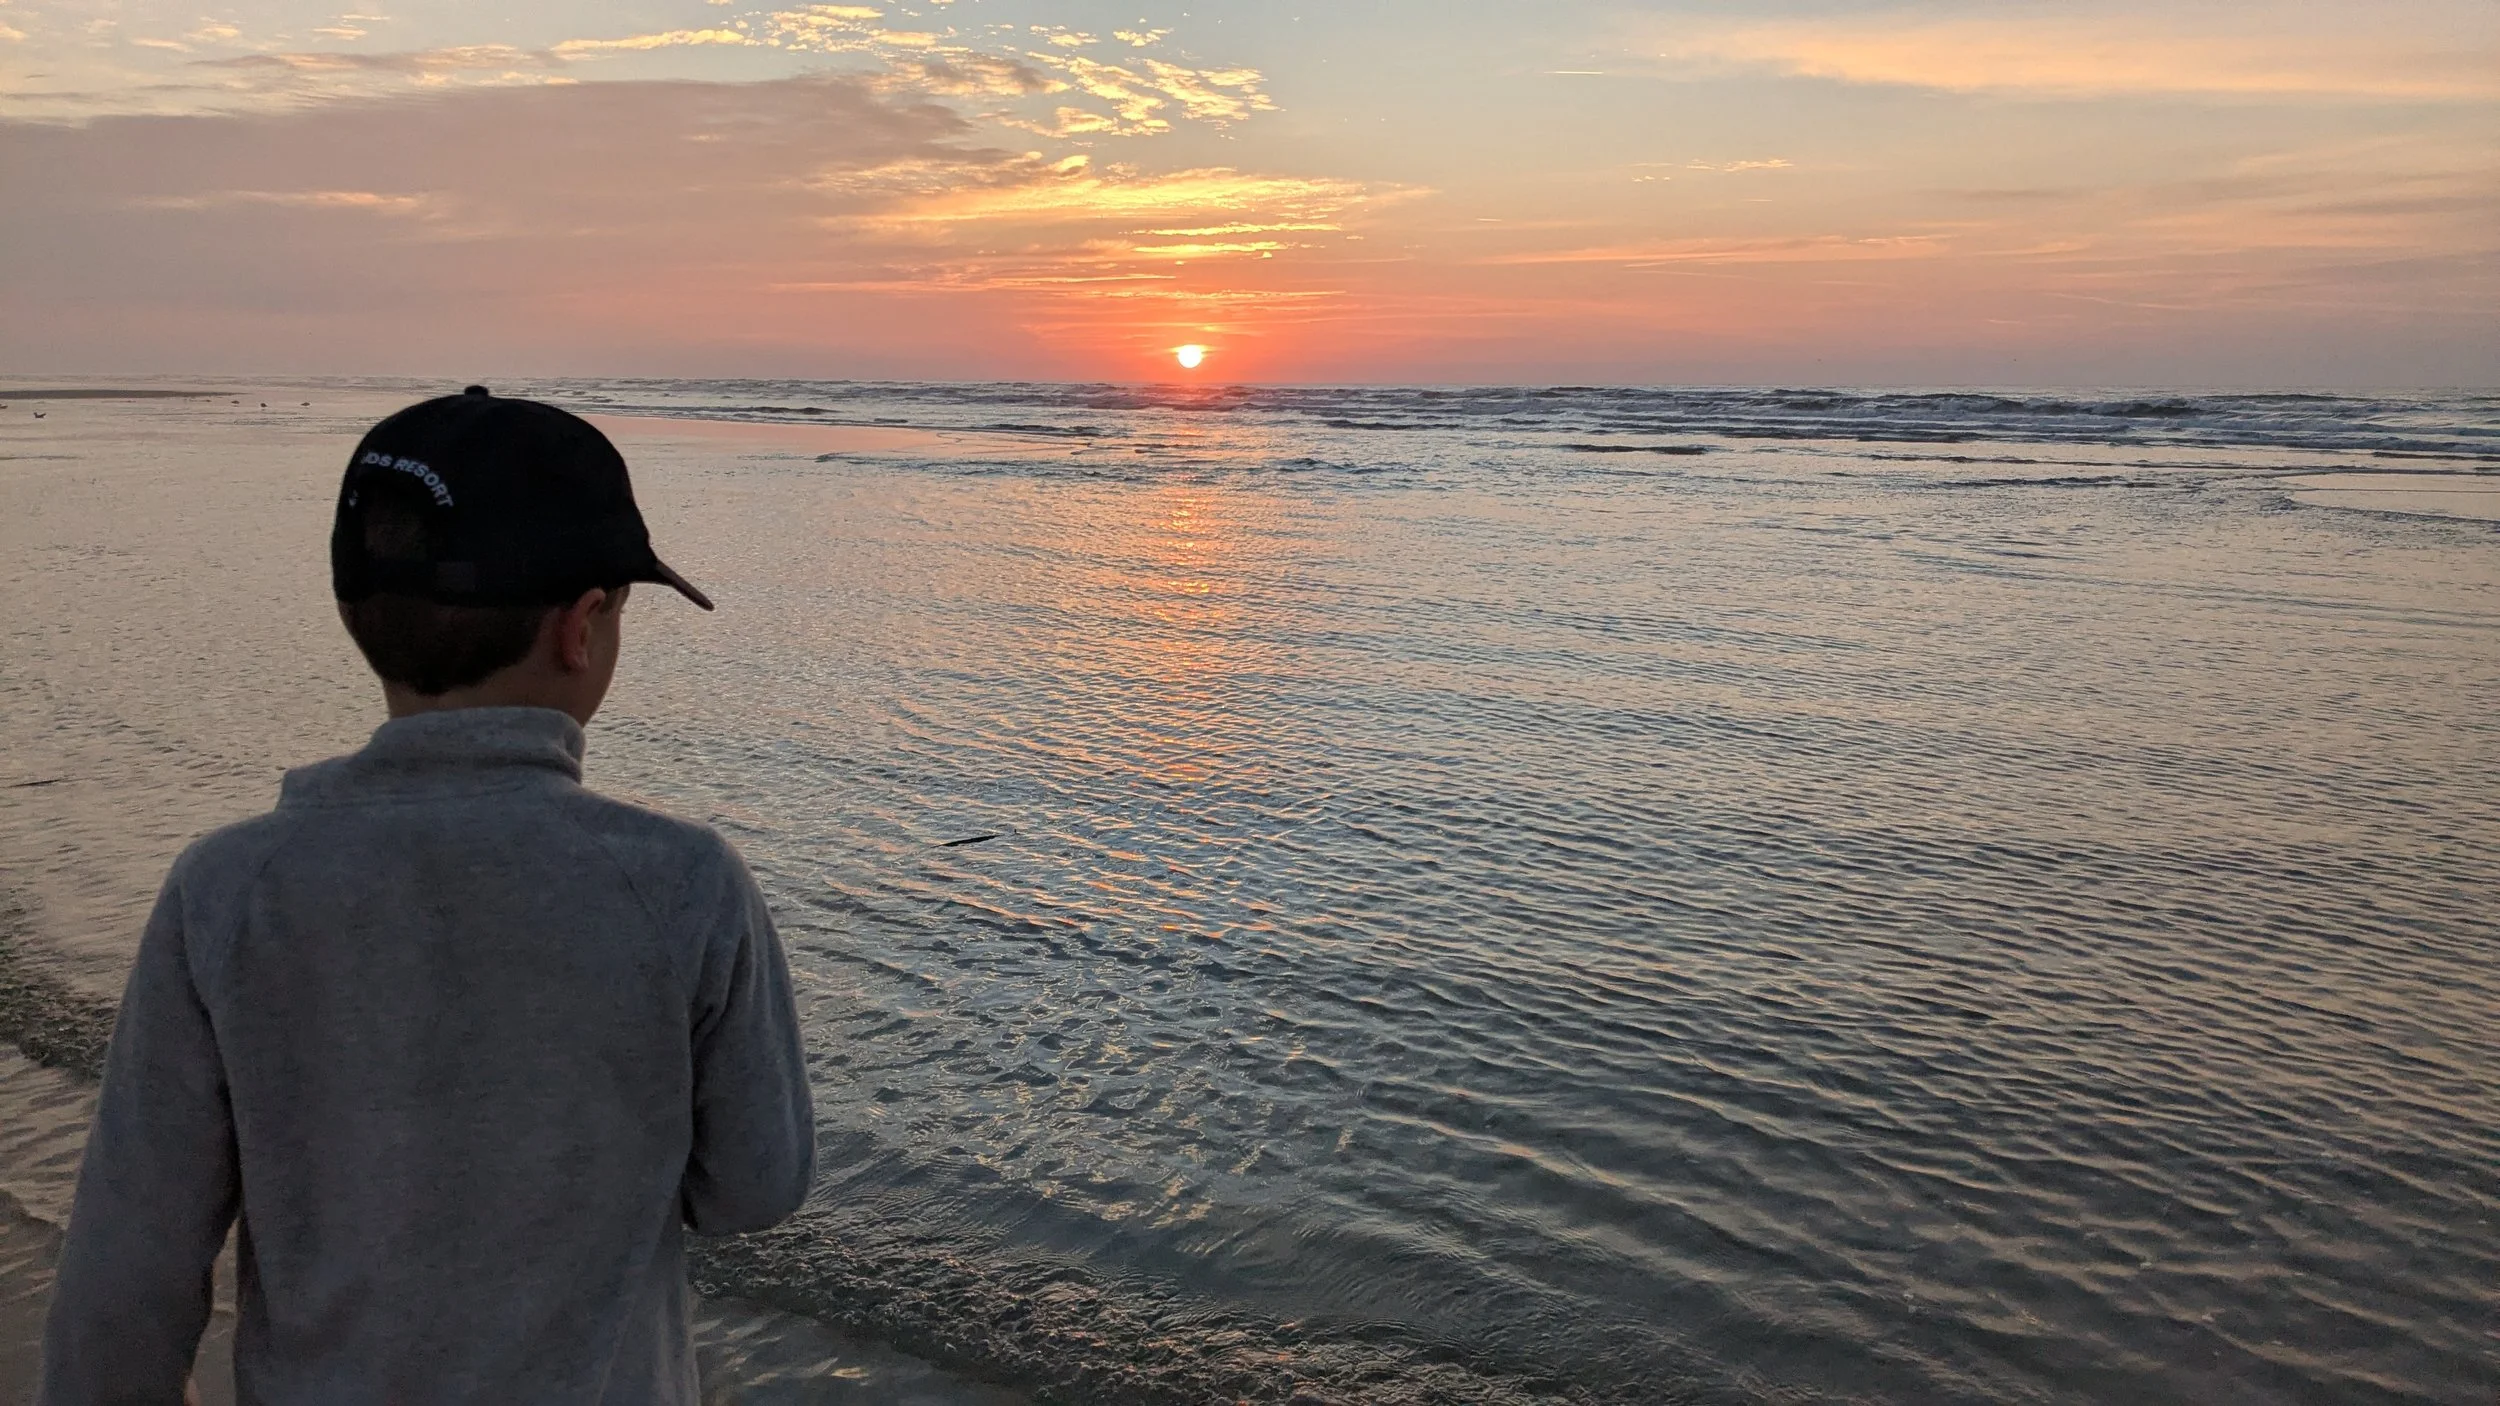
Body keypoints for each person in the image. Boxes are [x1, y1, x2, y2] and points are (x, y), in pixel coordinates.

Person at [39, 387, 816, 1404]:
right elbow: (755, 1185)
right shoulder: (681, 882)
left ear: (357, 608)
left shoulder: (228, 889)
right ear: (583, 627)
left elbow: (126, 1274)